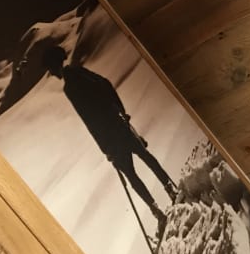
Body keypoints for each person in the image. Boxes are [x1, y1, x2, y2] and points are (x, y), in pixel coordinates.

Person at [42, 45, 177, 224]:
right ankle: (170, 189)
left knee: (131, 174)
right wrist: (120, 112)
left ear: (54, 65)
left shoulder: (70, 86)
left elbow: (89, 121)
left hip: (110, 137)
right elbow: (105, 84)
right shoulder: (78, 71)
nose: (52, 73)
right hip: (118, 124)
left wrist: (105, 149)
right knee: (144, 156)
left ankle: (157, 212)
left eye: (51, 69)